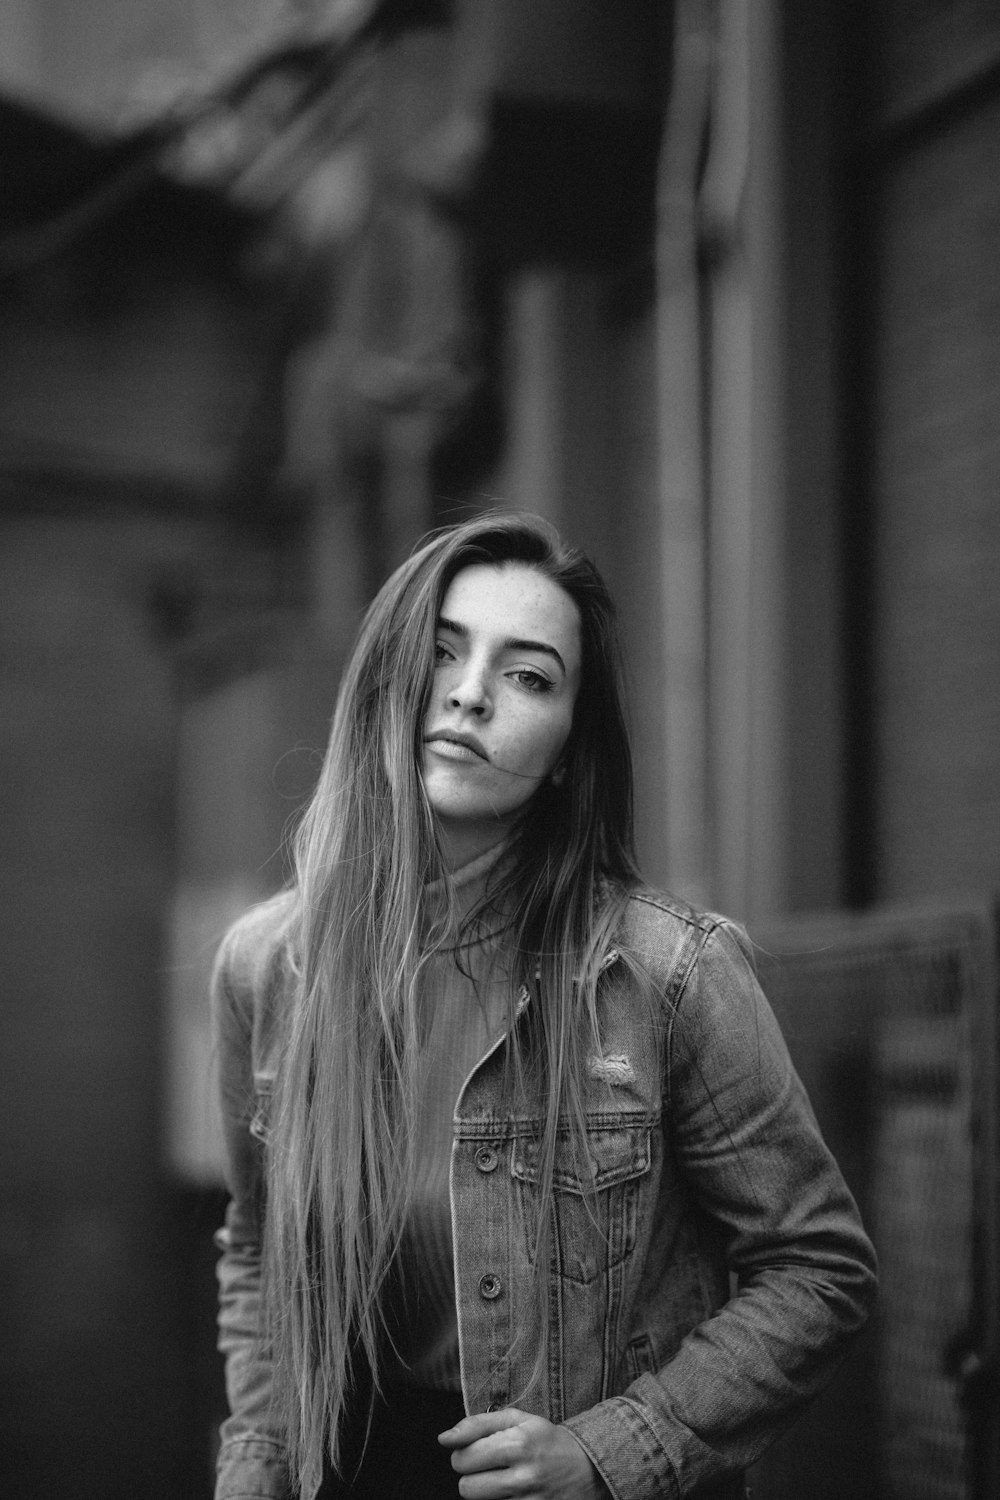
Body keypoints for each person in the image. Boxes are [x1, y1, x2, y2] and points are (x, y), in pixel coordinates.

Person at [212, 511, 877, 1500]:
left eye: (528, 676)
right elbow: (259, 1250)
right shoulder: (268, 969)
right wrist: (256, 1461)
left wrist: (612, 1450)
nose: (470, 694)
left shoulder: (665, 973)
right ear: (383, 684)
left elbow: (817, 1267)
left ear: (568, 748)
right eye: (440, 653)